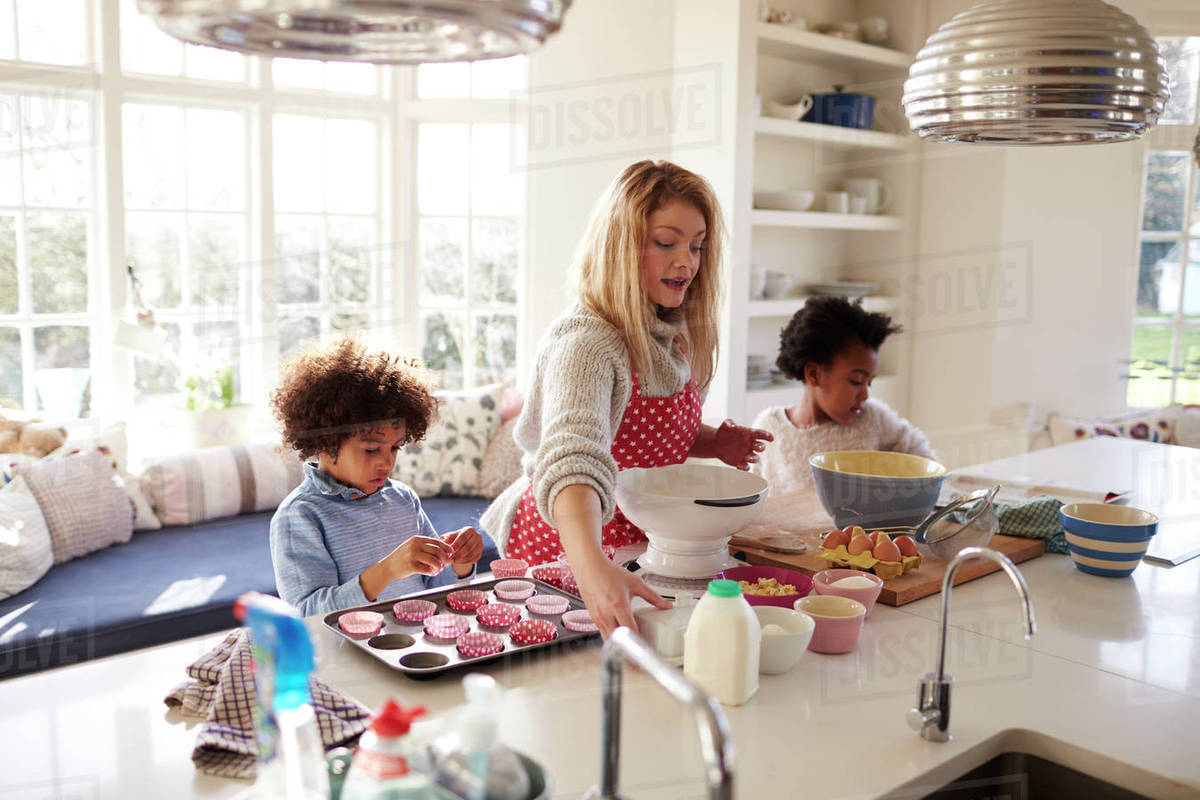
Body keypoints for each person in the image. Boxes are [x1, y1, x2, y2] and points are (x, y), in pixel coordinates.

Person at [480, 159, 773, 638]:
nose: (687, 261)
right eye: (666, 243)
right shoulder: (588, 344)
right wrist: (592, 567)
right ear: (621, 247)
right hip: (570, 542)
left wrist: (712, 442)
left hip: (639, 538)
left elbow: (638, 431)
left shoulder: (666, 330)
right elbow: (574, 458)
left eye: (697, 246)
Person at [269, 335, 485, 616]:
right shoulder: (300, 516)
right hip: (350, 656)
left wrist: (460, 564)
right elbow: (308, 614)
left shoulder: (402, 498)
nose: (387, 463)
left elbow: (436, 588)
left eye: (395, 447)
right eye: (371, 450)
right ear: (326, 442)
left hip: (413, 647)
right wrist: (387, 570)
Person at [750, 296, 935, 494]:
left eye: (869, 382)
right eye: (856, 381)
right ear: (814, 374)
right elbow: (753, 496)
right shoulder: (770, 429)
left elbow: (927, 467)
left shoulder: (873, 418)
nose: (865, 394)